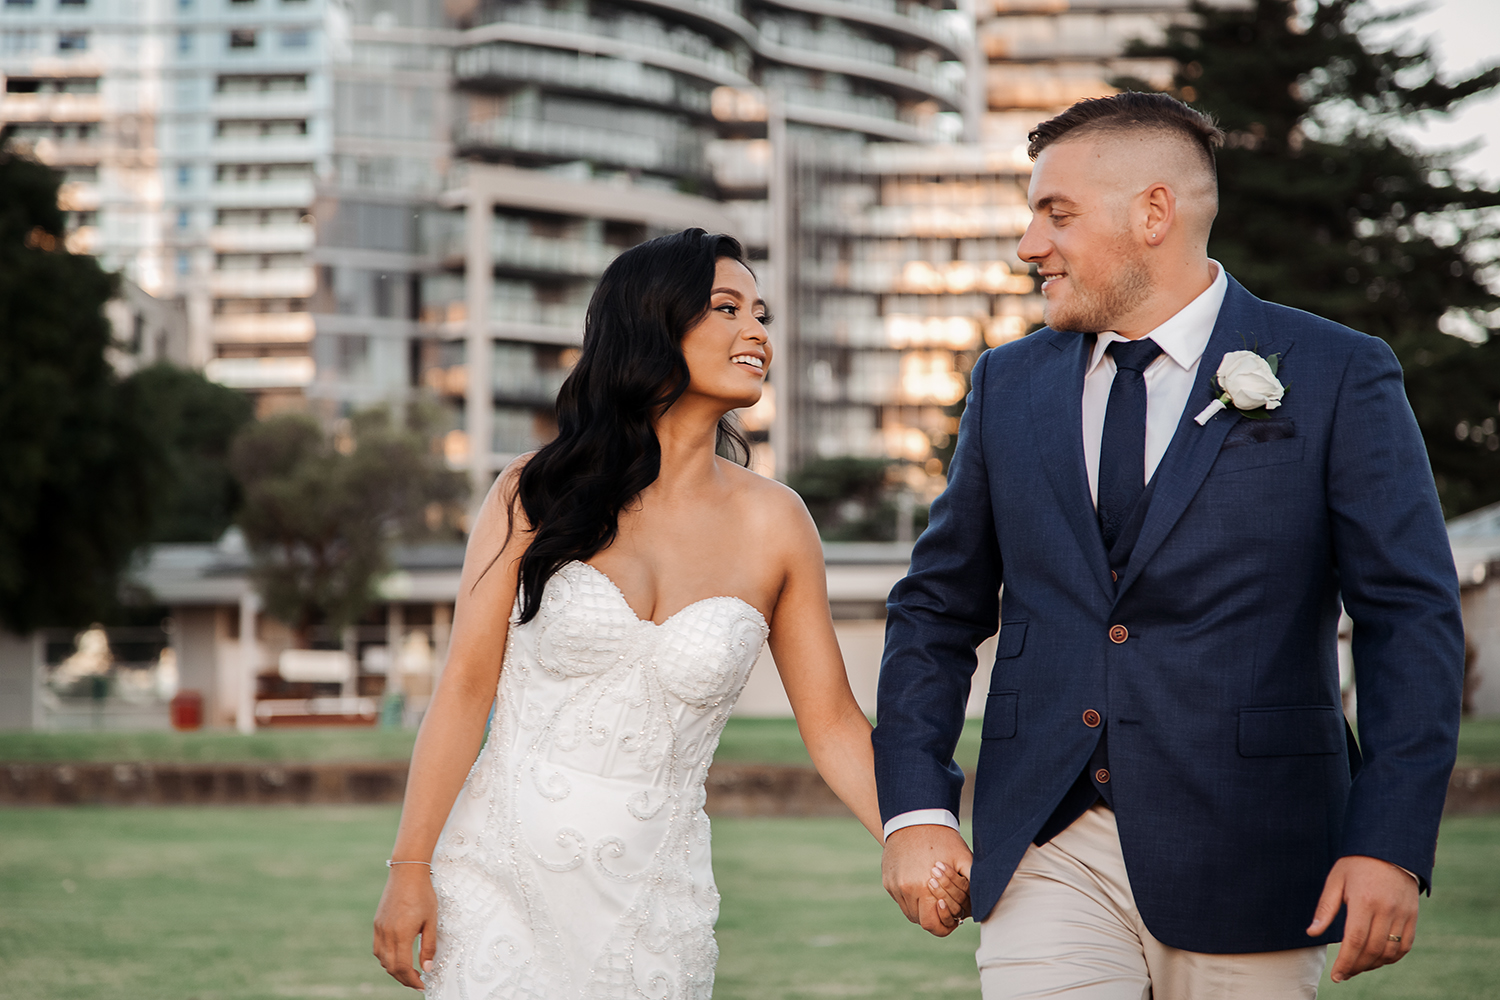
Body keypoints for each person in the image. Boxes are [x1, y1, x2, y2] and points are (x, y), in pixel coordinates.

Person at [876, 92, 1464, 998]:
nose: (1029, 243)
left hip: (1259, 852)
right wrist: (916, 806)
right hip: (1046, 843)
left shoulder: (1339, 373)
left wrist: (1390, 839)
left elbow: (1409, 618)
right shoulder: (1007, 383)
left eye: (1055, 213)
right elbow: (935, 607)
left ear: (1154, 212)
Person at [371, 229, 955, 998]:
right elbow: (464, 688)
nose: (756, 332)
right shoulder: (533, 491)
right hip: (496, 877)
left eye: (761, 314)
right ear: (652, 324)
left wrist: (920, 836)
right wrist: (410, 867)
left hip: (656, 896)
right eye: (726, 309)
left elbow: (834, 725)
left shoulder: (777, 524)